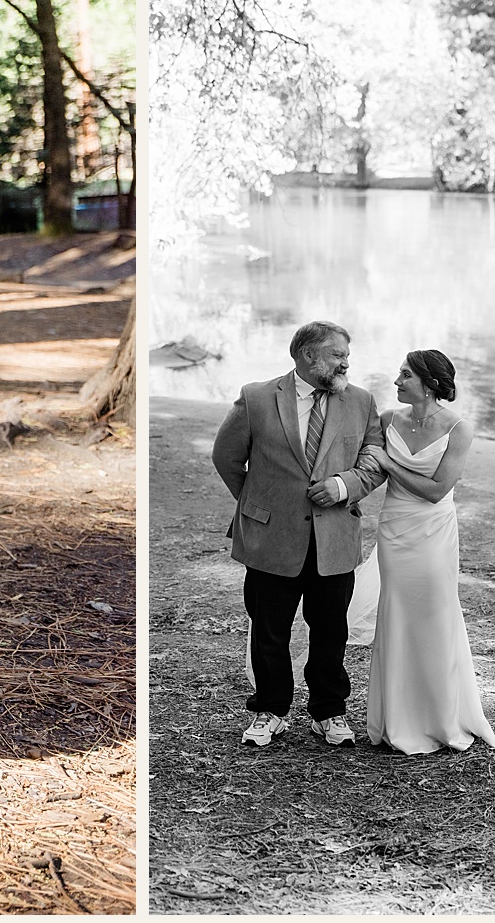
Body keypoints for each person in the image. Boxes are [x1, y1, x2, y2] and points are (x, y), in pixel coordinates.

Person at [210, 320, 389, 748]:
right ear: (308, 355)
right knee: (270, 628)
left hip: (335, 539)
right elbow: (226, 457)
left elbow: (376, 458)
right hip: (272, 539)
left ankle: (329, 712)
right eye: (337, 354)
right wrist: (260, 503)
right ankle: (270, 710)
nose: (347, 362)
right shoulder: (257, 397)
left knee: (331, 631)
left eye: (346, 354)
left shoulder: (361, 402)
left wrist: (344, 485)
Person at [360, 349, 495, 753]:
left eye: (405, 375)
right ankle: (398, 719)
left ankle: (442, 719)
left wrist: (389, 462)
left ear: (429, 384)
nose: (397, 381)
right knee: (397, 615)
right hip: (395, 529)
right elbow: (363, 464)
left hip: (434, 531)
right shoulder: (387, 420)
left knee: (436, 614)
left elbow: (438, 490)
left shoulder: (459, 429)